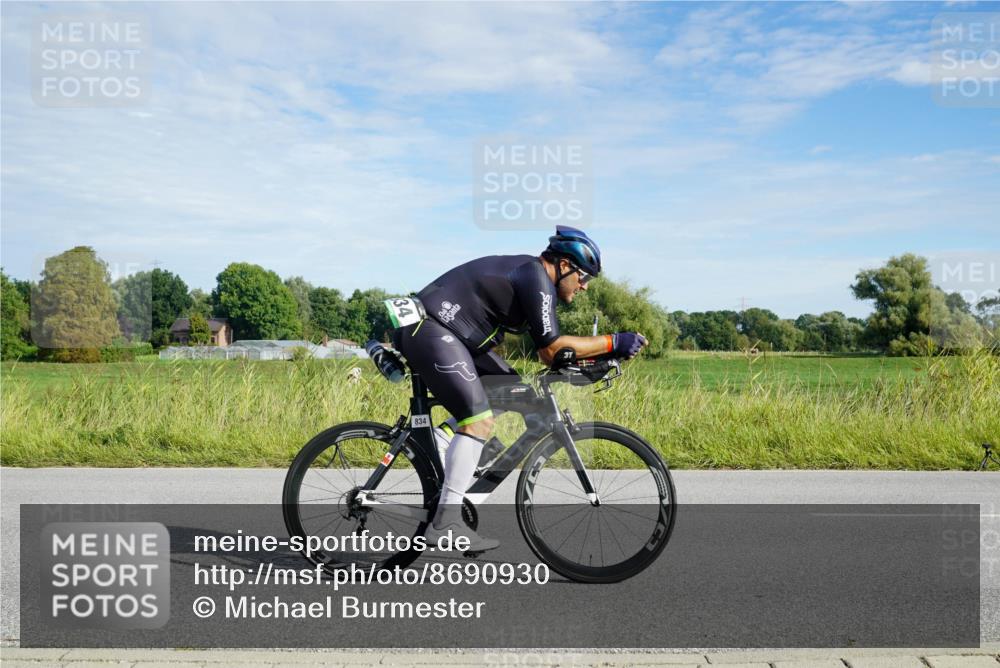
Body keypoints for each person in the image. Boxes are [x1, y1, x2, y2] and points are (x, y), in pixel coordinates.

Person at [391, 226, 648, 551]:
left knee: (514, 391)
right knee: (479, 420)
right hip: (429, 328)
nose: (584, 286)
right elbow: (552, 349)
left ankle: (444, 443)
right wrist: (613, 341)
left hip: (450, 333)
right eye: (584, 277)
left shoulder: (535, 280)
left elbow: (552, 355)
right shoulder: (537, 279)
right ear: (565, 265)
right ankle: (445, 523)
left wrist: (594, 361)